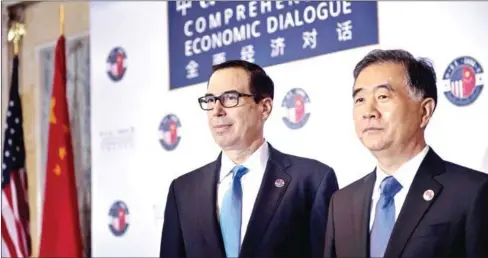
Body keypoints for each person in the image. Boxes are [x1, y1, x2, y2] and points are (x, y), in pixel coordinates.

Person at [159, 60, 339, 258]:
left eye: (230, 97)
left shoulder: (312, 180)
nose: (217, 110)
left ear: (264, 107)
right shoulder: (183, 190)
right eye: (210, 100)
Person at [324, 49, 488, 258]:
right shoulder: (341, 203)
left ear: (424, 111)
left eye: (382, 96)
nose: (368, 111)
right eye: (360, 100)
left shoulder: (472, 193)